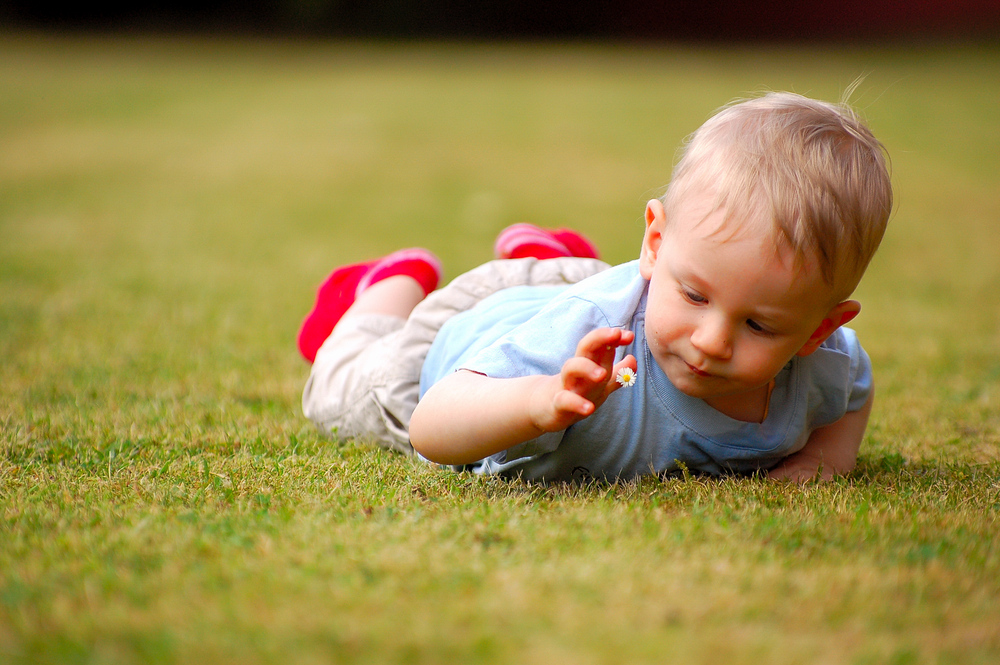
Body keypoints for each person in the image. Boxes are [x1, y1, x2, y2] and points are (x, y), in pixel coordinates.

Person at [299, 91, 893, 483]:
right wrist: (537, 402)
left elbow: (856, 386)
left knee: (591, 293)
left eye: (759, 325)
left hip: (585, 290)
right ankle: (388, 284)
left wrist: (825, 458)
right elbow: (432, 426)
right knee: (344, 388)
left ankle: (553, 261)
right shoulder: (580, 338)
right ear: (655, 247)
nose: (712, 341)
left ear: (819, 329)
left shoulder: (827, 366)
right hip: (468, 340)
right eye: (695, 295)